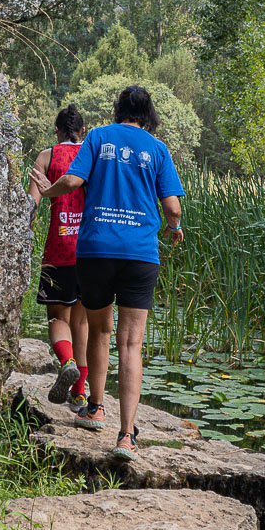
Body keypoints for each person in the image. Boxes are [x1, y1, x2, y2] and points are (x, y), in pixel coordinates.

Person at [32, 85, 183, 460]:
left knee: (99, 331)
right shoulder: (157, 149)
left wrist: (48, 193)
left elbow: (72, 180)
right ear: (149, 114)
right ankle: (126, 436)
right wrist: (174, 228)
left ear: (118, 110)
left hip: (96, 250)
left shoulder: (98, 137)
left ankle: (95, 408)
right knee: (131, 344)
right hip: (139, 255)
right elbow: (173, 208)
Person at [28, 104, 89, 407]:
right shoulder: (92, 155)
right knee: (82, 323)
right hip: (90, 249)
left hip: (59, 248)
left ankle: (67, 362)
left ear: (57, 131)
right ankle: (79, 392)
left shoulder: (46, 157)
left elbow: (31, 205)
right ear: (83, 131)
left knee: (57, 317)